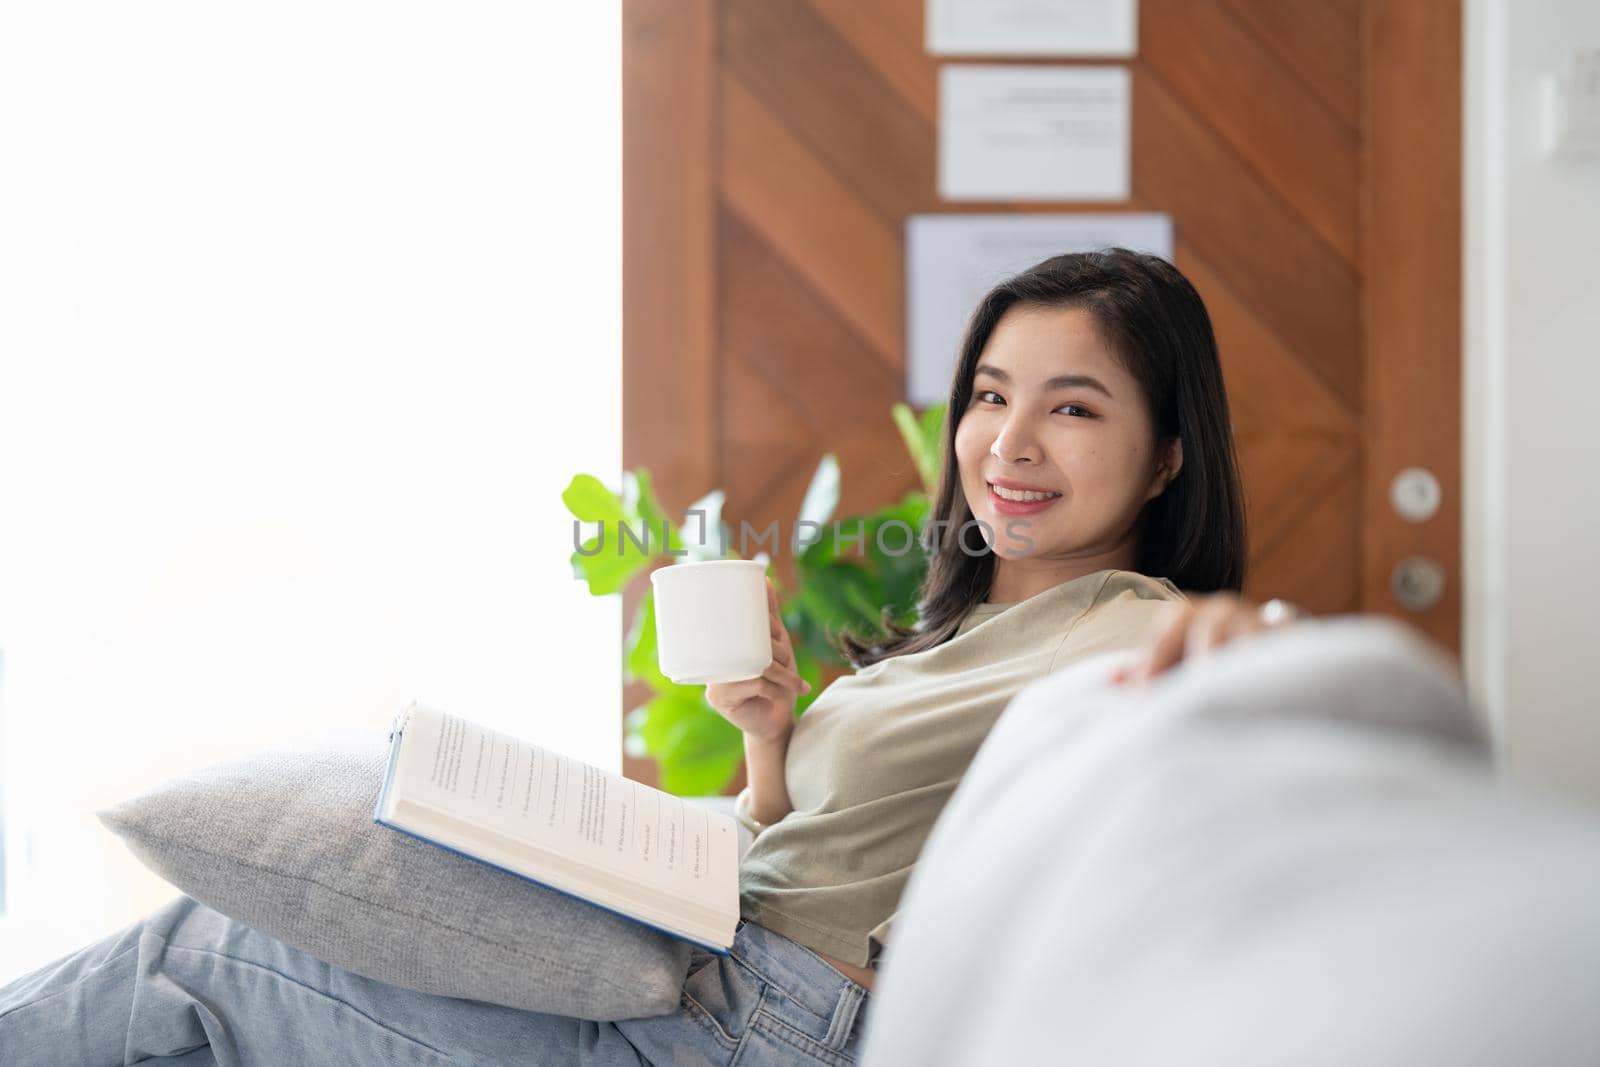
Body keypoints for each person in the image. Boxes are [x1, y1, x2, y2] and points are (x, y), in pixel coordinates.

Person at [0, 249, 1300, 1065]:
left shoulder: (1128, 626)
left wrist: (1245, 649)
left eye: (1073, 408)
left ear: (1170, 454)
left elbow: (1262, 687)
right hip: (716, 971)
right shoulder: (973, 626)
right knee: (191, 997)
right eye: (993, 393)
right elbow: (844, 857)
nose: (1009, 444)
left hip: (757, 1033)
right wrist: (769, 743)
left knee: (206, 964)